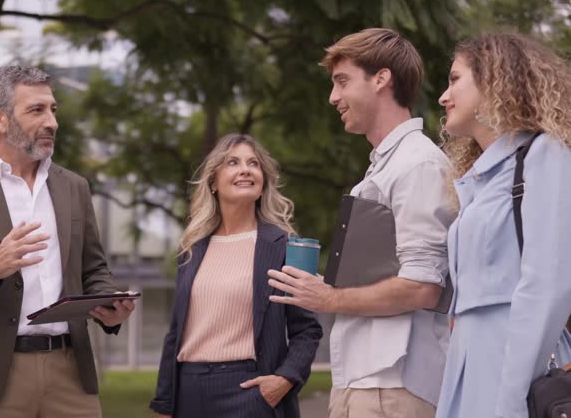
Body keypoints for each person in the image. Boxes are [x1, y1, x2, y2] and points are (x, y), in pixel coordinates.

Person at [0, 65, 135, 418]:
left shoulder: (74, 187)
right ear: (0, 119)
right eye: (36, 110)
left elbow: (93, 268)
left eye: (53, 109)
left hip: (70, 375)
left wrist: (109, 306)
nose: (51, 122)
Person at [268, 28, 454, 417]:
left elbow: (424, 288)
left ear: (381, 79)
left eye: (342, 81)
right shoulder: (383, 170)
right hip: (366, 384)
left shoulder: (417, 165)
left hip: (393, 389)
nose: (333, 97)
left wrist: (329, 298)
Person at [435, 33, 571, 417]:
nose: (444, 97)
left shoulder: (545, 155)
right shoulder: (480, 179)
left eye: (454, 79)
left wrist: (511, 400)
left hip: (514, 363)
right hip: (469, 364)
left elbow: (547, 284)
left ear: (493, 80)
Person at [150, 133, 323, 417]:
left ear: (263, 180)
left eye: (253, 163)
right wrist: (164, 402)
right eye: (233, 162)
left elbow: (307, 329)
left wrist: (284, 380)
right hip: (189, 391)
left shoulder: (285, 246)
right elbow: (176, 332)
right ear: (214, 183)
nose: (246, 169)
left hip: (250, 392)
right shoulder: (192, 249)